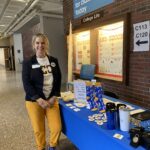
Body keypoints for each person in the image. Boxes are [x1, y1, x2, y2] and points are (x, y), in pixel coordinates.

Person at [22, 33, 62, 150]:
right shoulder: (28, 62)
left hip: (51, 100)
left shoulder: (53, 61)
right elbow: (26, 84)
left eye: (43, 43)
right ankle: (41, 147)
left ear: (46, 44)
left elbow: (58, 79)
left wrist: (54, 97)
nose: (40, 45)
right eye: (37, 43)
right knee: (39, 130)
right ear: (34, 45)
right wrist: (39, 99)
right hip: (34, 101)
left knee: (56, 128)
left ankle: (52, 146)